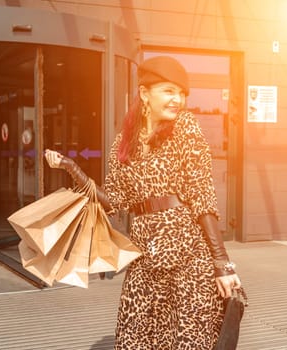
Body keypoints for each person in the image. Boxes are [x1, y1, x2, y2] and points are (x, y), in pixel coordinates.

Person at [45, 56, 242, 349]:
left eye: (182, 93)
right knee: (135, 337)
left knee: (190, 340)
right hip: (145, 257)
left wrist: (221, 263)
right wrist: (73, 170)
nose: (178, 100)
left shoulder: (186, 127)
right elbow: (115, 201)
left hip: (188, 254)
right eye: (169, 91)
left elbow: (202, 196)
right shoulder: (124, 142)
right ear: (144, 92)